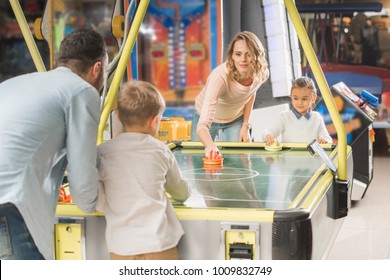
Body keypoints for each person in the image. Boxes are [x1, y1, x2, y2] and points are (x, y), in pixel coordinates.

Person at [0, 29, 108, 260]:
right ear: (97, 68)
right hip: (7, 205)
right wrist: (101, 202)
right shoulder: (82, 91)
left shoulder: (13, 84)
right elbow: (82, 175)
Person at [96, 81, 191, 260]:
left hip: (121, 248)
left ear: (117, 117)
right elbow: (180, 191)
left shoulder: (102, 153)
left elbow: (99, 201)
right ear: (155, 121)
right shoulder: (161, 150)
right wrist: (186, 192)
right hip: (159, 245)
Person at [191, 31, 269, 159]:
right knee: (199, 160)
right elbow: (202, 125)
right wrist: (210, 146)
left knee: (240, 161)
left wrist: (245, 125)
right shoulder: (220, 77)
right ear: (232, 55)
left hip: (235, 119)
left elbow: (250, 94)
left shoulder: (261, 73)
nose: (243, 59)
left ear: (257, 55)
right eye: (238, 54)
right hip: (205, 119)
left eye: (248, 54)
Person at [263, 76, 332, 145]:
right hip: (288, 155)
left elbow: (327, 138)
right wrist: (269, 136)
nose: (300, 102)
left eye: (304, 99)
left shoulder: (317, 117)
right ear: (291, 97)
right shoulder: (284, 116)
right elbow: (269, 131)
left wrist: (324, 140)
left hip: (310, 155)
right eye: (296, 98)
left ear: (313, 98)